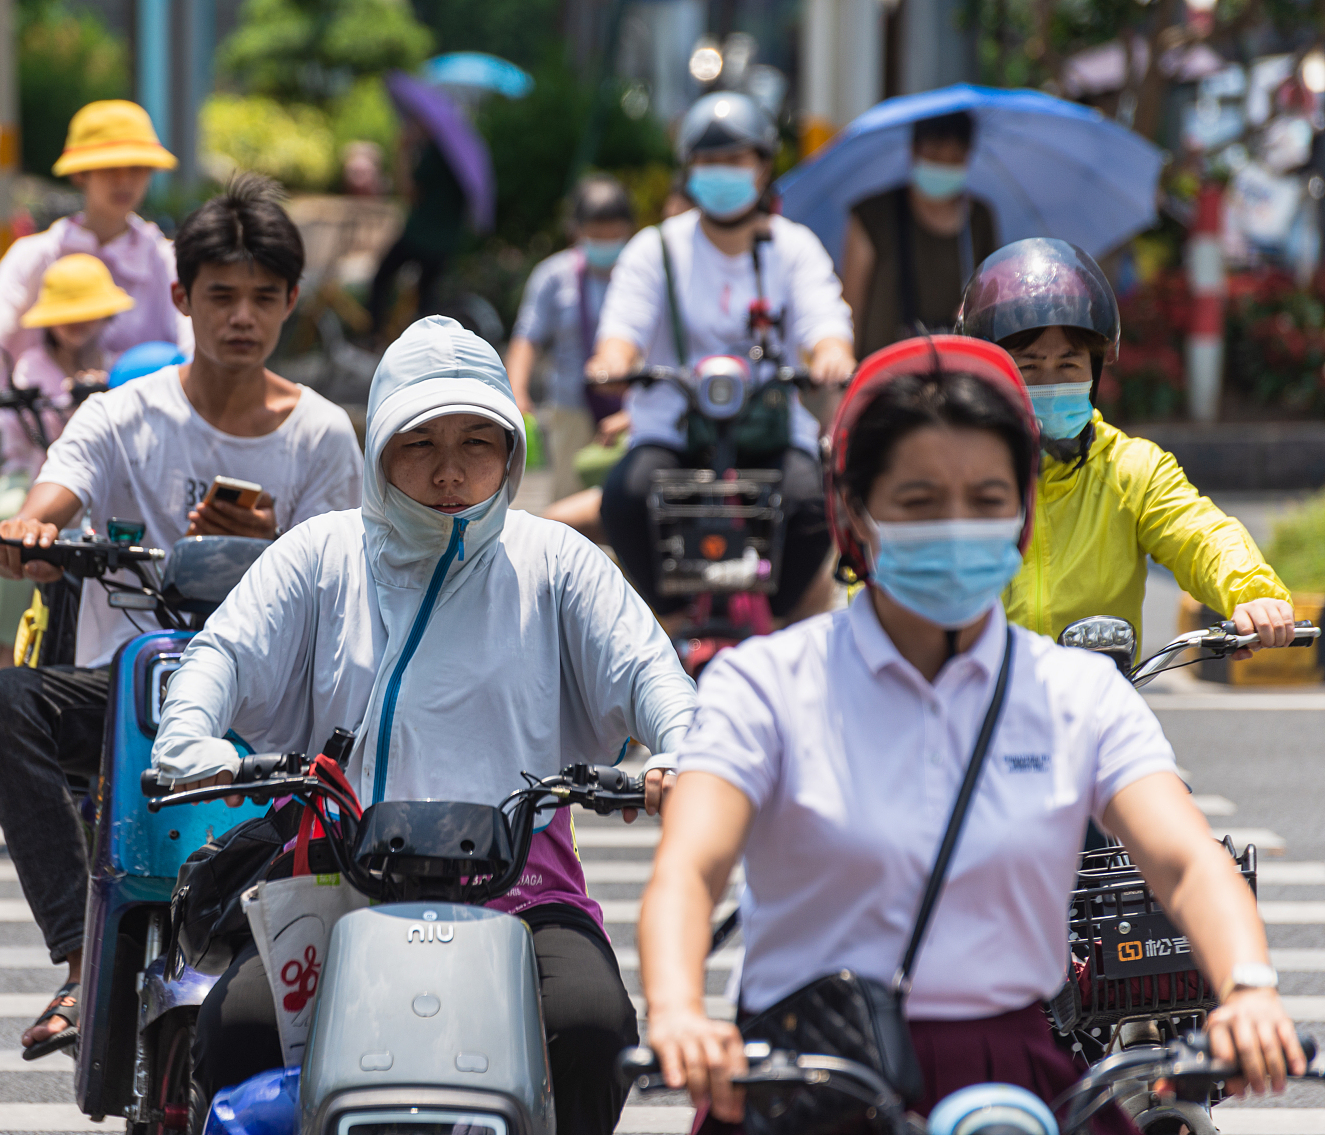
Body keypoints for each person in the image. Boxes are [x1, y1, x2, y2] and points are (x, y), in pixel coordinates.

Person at [638, 336, 1305, 1131]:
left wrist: (1251, 990)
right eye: (919, 501)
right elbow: (690, 867)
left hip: (1019, 1075)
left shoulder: (1078, 692)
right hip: (810, 1074)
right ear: (853, 511)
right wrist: (679, 1011)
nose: (957, 527)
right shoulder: (766, 683)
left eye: (988, 499)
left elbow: (1187, 862)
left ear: (1020, 512)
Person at [149, 314, 699, 1135]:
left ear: (511, 451)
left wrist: (684, 753)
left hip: (522, 884)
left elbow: (652, 672)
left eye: (477, 442)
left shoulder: (557, 560)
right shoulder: (321, 552)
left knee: (590, 1026)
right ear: (380, 453)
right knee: (239, 1028)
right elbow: (221, 654)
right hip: (337, 877)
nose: (450, 472)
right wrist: (191, 738)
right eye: (420, 444)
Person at [0, 174, 363, 1060]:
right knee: (1, 704)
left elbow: (352, 583)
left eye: (264, 297)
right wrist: (32, 528)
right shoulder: (121, 416)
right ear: (181, 298)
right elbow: (52, 495)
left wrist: (275, 541)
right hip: (135, 699)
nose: (241, 317)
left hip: (268, 706)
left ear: (291, 303)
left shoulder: (324, 435)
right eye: (221, 295)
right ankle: (79, 956)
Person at [587, 90, 856, 626]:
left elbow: (826, 323)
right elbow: (621, 334)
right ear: (688, 170)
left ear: (763, 165)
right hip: (675, 433)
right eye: (708, 161)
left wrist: (830, 355)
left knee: (810, 501)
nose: (721, 173)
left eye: (735, 160)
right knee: (626, 494)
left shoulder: (793, 247)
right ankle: (670, 620)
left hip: (771, 434)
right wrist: (612, 361)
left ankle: (774, 621)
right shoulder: (655, 248)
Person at [957, 237, 1294, 652]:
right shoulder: (955, 475)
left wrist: (1252, 593)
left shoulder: (1132, 468)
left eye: (1068, 364)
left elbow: (1200, 533)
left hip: (1103, 703)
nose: (1051, 382)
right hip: (977, 699)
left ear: (1095, 372)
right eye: (1028, 366)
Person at [0, 98, 193, 419]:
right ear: (80, 174)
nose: (124, 181)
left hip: (149, 440)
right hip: (43, 440)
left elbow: (194, 340)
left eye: (137, 167)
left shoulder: (166, 259)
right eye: (110, 167)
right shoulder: (36, 255)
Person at [0, 253, 135, 668]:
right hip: (31, 475)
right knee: (7, 520)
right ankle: (7, 647)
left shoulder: (119, 369)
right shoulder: (29, 368)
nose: (78, 322)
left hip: (102, 486)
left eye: (88, 312)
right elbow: (17, 439)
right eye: (67, 313)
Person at [505, 175, 636, 503]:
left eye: (613, 235)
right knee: (569, 502)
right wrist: (516, 393)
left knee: (628, 499)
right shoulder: (553, 276)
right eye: (596, 235)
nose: (605, 243)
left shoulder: (641, 274)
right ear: (576, 231)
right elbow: (527, 337)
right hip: (571, 407)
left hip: (632, 406)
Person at [842, 111, 998, 357]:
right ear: (914, 151)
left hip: (956, 370)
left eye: (954, 158)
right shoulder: (872, 214)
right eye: (935, 156)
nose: (944, 166)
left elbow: (992, 294)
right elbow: (852, 305)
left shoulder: (979, 217)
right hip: (884, 369)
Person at [365, 119, 467, 339]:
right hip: (445, 243)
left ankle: (374, 337)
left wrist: (403, 152)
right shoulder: (463, 162)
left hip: (419, 237)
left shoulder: (436, 155)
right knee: (427, 304)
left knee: (381, 279)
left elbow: (408, 192)